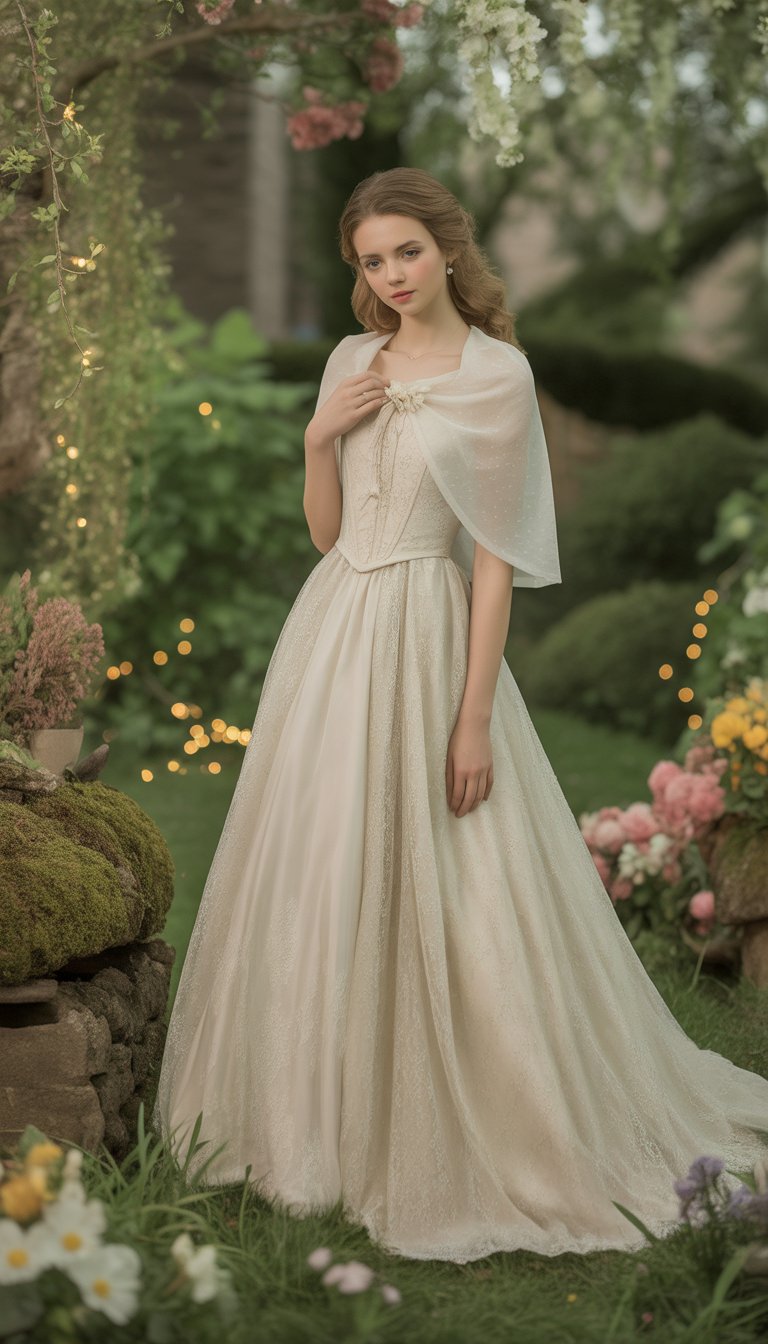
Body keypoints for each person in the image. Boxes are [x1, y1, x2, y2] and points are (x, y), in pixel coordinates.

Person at [152, 167, 768, 1264]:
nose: (389, 277)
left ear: (446, 247)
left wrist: (472, 717)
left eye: (403, 252)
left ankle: (474, 1101)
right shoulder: (351, 362)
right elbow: (327, 533)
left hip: (431, 633)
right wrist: (314, 438)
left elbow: (492, 564)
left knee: (452, 864)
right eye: (369, 262)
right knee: (323, 855)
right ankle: (308, 1125)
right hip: (335, 625)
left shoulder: (500, 377)